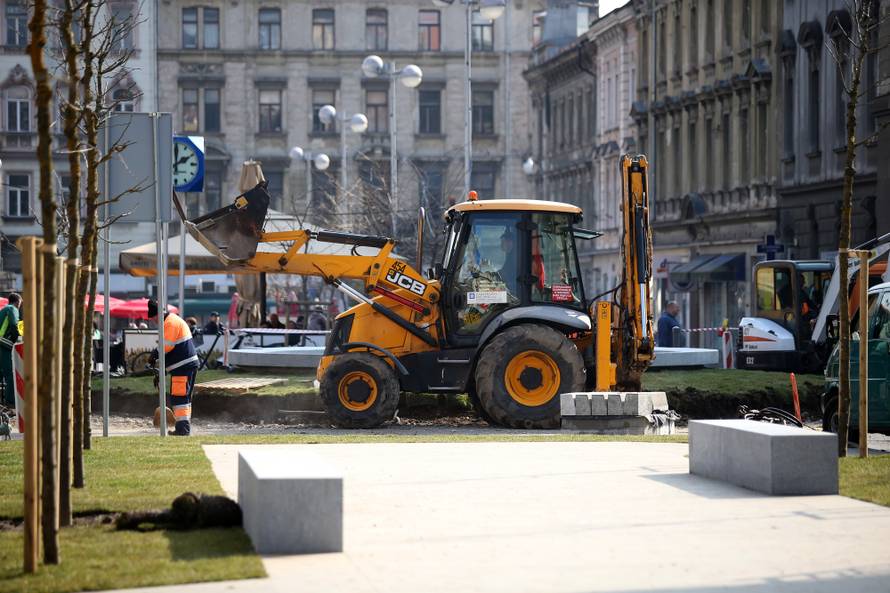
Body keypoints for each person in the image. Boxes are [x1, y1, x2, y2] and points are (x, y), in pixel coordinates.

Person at [147, 298, 199, 436]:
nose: (153, 321)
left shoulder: (170, 323)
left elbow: (167, 346)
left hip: (183, 366)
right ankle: (184, 428)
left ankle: (182, 430)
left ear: (157, 314)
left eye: (153, 318)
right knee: (184, 399)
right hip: (185, 365)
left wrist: (154, 354)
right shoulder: (172, 320)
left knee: (179, 398)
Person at [0, 293, 22, 408]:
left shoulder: (4, 309)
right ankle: (10, 402)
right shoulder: (12, 309)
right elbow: (14, 325)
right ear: (18, 302)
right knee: (10, 374)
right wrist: (17, 339)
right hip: (4, 345)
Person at [497, 228, 518, 295]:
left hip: (513, 291)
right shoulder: (510, 255)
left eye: (503, 242)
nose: (501, 245)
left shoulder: (515, 256)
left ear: (510, 242)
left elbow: (506, 273)